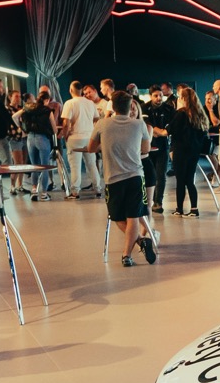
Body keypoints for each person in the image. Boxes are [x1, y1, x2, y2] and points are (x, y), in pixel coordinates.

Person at [85, 90, 155, 265]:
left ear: (113, 107)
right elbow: (146, 149)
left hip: (113, 178)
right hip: (136, 176)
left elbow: (91, 148)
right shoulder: (139, 124)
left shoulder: (102, 124)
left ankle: (132, 250)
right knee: (133, 216)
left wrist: (107, 145)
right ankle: (131, 251)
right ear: (129, 107)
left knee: (116, 217)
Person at [168, 86, 209, 217]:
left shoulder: (181, 114)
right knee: (190, 180)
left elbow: (170, 130)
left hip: (180, 150)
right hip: (194, 152)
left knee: (180, 180)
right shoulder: (200, 114)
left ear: (183, 99)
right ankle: (194, 209)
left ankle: (179, 208)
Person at [60, 81, 102, 197]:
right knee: (91, 164)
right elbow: (96, 118)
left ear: (70, 90)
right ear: (81, 90)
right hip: (89, 137)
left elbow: (66, 123)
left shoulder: (69, 103)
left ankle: (75, 191)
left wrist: (66, 135)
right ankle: (98, 188)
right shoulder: (90, 103)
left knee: (75, 166)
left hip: (75, 137)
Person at [142, 86, 174, 210]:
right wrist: (159, 131)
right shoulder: (144, 108)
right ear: (151, 96)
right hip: (148, 146)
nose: (159, 98)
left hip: (163, 146)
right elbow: (147, 124)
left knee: (161, 175)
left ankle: (158, 202)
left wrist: (159, 132)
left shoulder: (168, 108)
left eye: (160, 95)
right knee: (149, 175)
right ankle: (148, 201)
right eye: (156, 96)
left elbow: (171, 125)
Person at [21, 90, 56, 199]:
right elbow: (54, 129)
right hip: (43, 138)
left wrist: (22, 128)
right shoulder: (47, 111)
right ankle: (44, 193)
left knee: (34, 165)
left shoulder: (29, 108)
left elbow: (15, 116)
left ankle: (34, 190)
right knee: (44, 166)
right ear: (47, 100)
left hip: (30, 138)